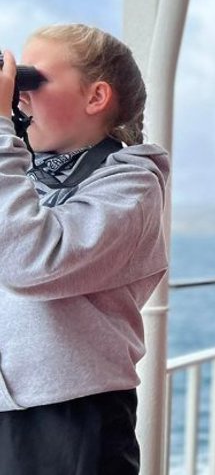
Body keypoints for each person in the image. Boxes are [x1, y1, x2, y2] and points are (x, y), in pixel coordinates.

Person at [0, 24, 169, 474]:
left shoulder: (131, 184)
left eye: (31, 81)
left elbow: (34, 260)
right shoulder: (20, 176)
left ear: (96, 97)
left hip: (72, 417)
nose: (19, 98)